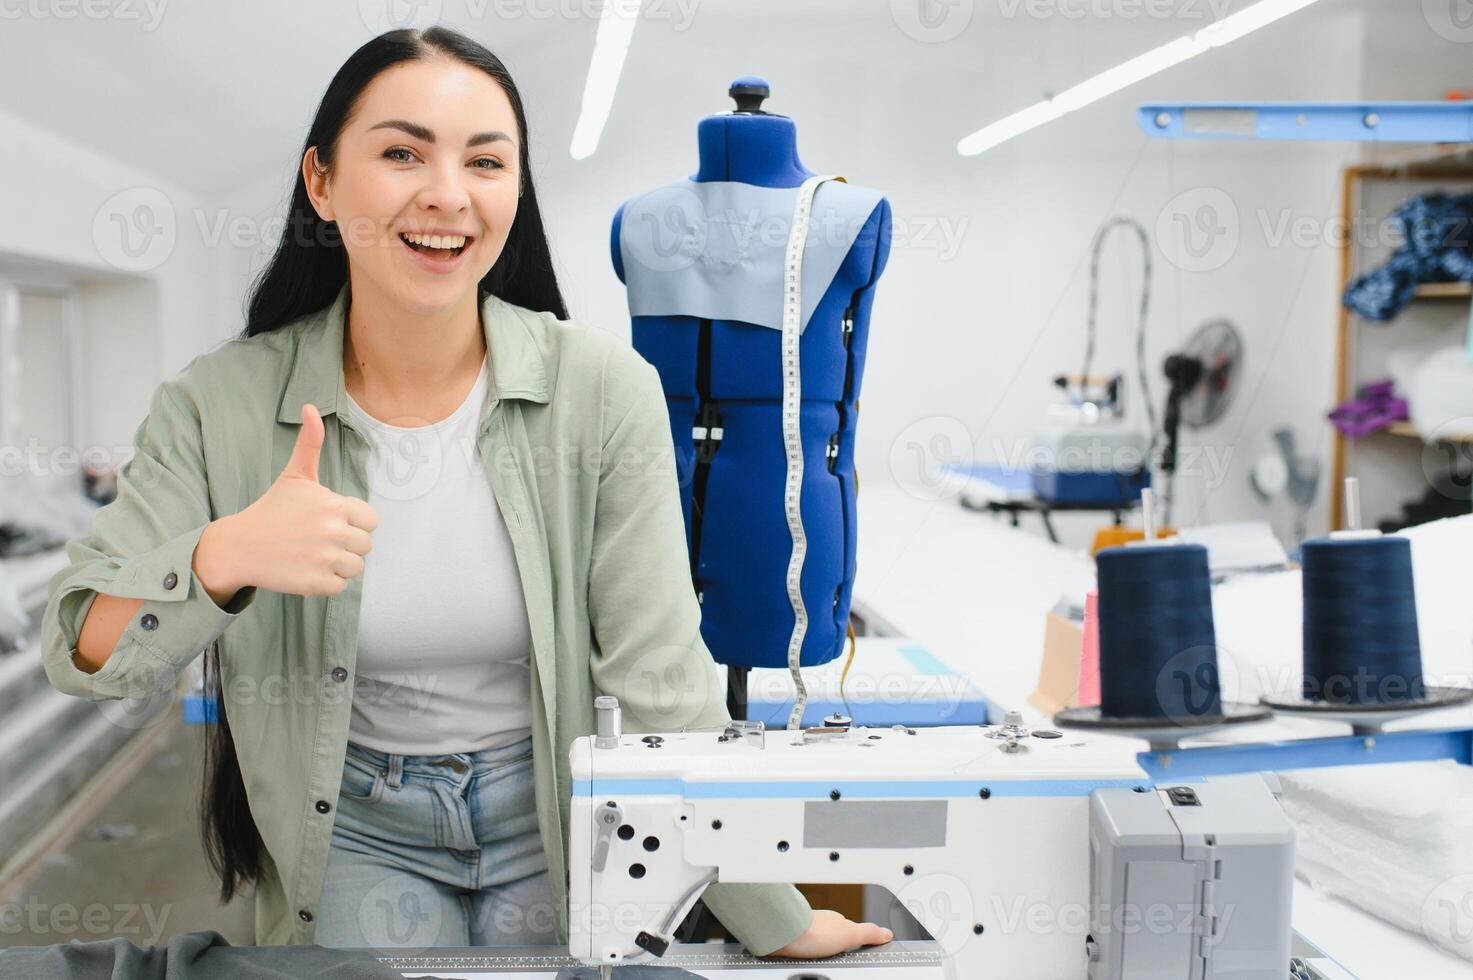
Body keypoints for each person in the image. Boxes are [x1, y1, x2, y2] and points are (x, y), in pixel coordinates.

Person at [41, 25, 893, 959]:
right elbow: (84, 652)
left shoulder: (599, 389)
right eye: (402, 152)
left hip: (561, 811)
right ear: (321, 182)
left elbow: (659, 678)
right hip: (358, 828)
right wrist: (221, 558)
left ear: (514, 191)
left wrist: (772, 915)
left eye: (485, 161)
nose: (447, 194)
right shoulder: (218, 406)